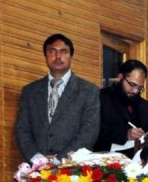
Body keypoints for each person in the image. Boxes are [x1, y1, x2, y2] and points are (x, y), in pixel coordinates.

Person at [15, 33, 100, 164]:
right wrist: (37, 158)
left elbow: (89, 132)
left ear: (71, 56)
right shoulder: (30, 91)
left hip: (74, 168)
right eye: (52, 51)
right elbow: (22, 129)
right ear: (45, 56)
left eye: (63, 51)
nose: (58, 56)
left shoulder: (88, 91)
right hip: (37, 169)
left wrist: (59, 159)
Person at [94, 59, 148, 159]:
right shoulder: (101, 98)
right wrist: (125, 134)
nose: (135, 91)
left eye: (140, 87)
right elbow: (94, 132)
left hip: (139, 160)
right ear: (120, 77)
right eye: (132, 85)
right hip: (107, 159)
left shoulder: (144, 105)